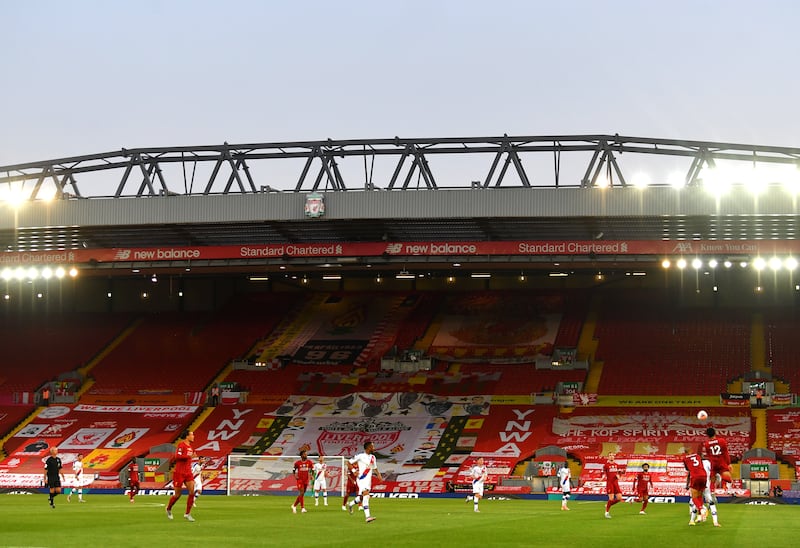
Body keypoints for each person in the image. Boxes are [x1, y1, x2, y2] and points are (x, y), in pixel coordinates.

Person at [347, 441, 382, 523]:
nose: (374, 448)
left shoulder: (373, 457)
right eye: (372, 446)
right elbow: (348, 462)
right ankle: (368, 517)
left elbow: (374, 467)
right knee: (366, 495)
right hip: (361, 479)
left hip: (368, 480)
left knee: (362, 497)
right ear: (368, 448)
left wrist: (379, 475)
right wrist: (353, 470)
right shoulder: (360, 456)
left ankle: (351, 504)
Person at [165, 430, 197, 522]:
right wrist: (189, 456)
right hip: (179, 473)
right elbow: (177, 457)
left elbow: (189, 458)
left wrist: (191, 457)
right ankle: (168, 508)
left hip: (188, 473)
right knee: (178, 495)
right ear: (187, 436)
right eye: (192, 435)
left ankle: (187, 514)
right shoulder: (181, 445)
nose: (193, 436)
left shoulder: (190, 447)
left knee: (192, 492)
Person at [684, 452, 717, 526]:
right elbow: (713, 473)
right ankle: (714, 521)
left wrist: (687, 484)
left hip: (696, 480)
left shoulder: (694, 464)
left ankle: (698, 514)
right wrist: (713, 484)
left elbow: (689, 474)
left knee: (695, 499)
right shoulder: (707, 462)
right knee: (709, 501)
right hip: (706, 482)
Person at [701, 427, 733, 494]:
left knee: (712, 479)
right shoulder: (721, 441)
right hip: (721, 462)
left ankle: (712, 492)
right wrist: (729, 463)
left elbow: (708, 455)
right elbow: (725, 453)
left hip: (713, 463)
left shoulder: (706, 444)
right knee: (728, 478)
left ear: (707, 435)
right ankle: (727, 490)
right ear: (715, 433)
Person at [602, 453, 624, 518]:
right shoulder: (606, 465)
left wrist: (619, 477)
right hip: (610, 483)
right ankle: (606, 512)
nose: (611, 457)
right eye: (610, 455)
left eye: (612, 455)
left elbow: (620, 474)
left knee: (619, 498)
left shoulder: (617, 465)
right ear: (608, 457)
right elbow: (604, 473)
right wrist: (602, 478)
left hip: (616, 483)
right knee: (611, 498)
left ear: (614, 457)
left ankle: (609, 504)